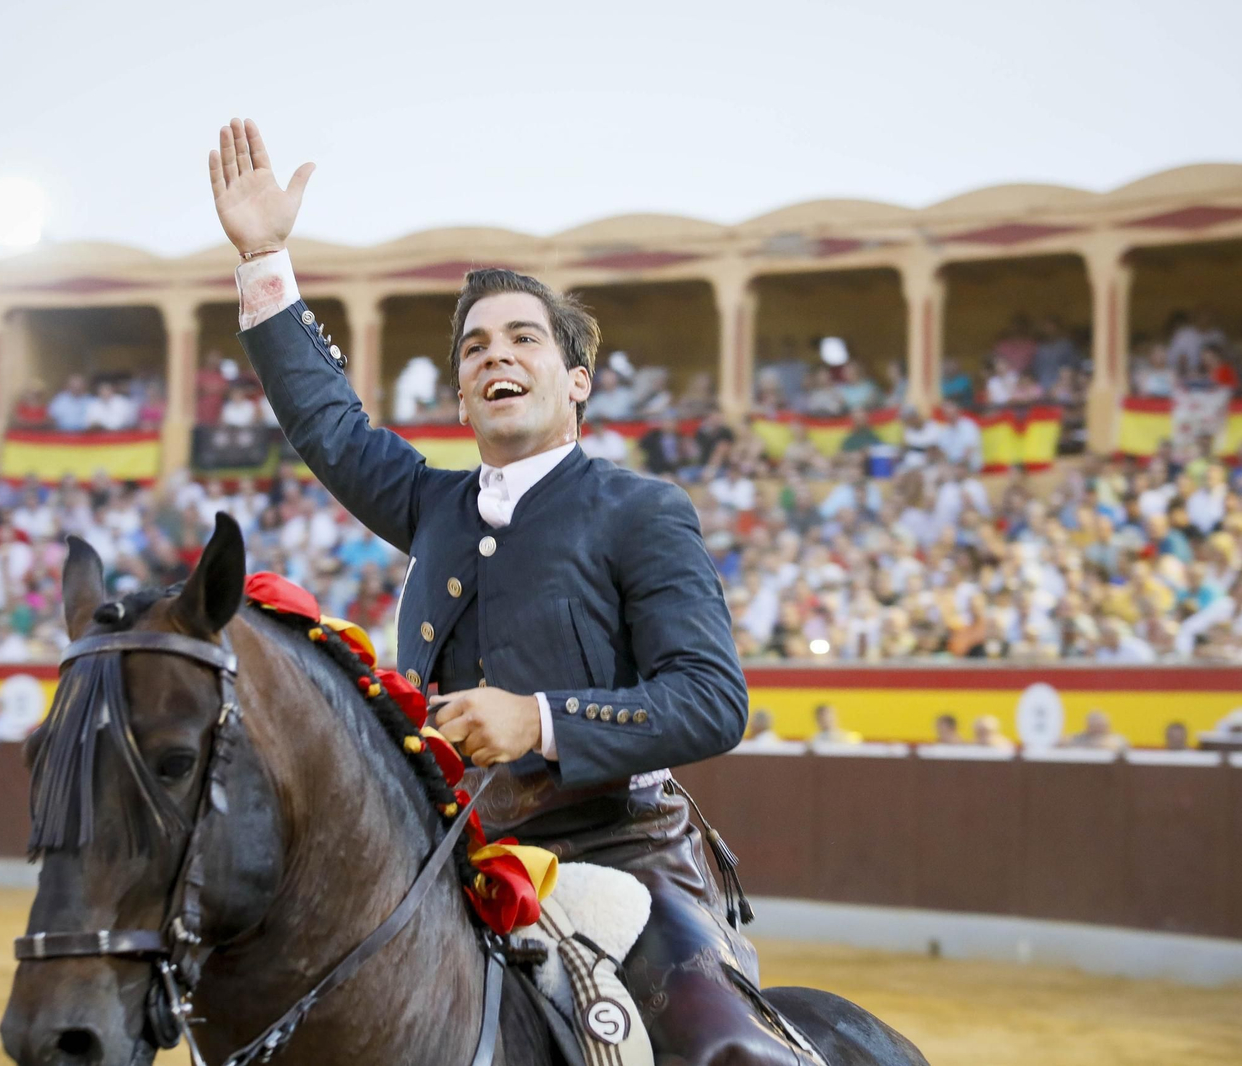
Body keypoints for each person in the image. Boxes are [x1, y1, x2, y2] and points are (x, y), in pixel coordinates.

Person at [213, 118, 806, 1064]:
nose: (497, 356)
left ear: (577, 382)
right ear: (460, 399)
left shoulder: (641, 511)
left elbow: (711, 699)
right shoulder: (434, 504)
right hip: (452, 860)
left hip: (618, 859)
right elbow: (328, 424)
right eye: (477, 348)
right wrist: (265, 258)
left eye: (524, 340)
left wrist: (539, 720)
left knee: (718, 1050)